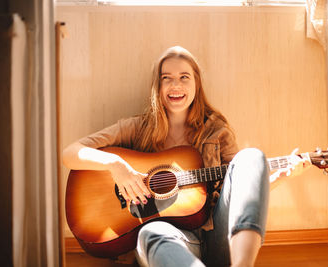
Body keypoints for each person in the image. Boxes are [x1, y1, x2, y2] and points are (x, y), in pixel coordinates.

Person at [63, 46, 308, 267]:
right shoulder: (137, 128)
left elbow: (242, 187)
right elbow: (70, 154)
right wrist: (116, 166)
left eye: (184, 77)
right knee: (151, 233)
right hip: (171, 245)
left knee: (251, 156)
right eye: (166, 79)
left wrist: (281, 177)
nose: (175, 85)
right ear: (157, 87)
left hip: (216, 238)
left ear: (196, 84)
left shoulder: (217, 131)